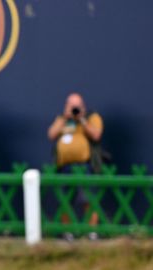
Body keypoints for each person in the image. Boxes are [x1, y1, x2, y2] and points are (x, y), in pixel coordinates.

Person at [47, 92, 104, 240]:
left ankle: (91, 231)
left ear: (83, 106)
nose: (74, 109)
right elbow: (51, 134)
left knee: (87, 198)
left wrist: (82, 119)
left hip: (84, 166)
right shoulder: (62, 119)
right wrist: (65, 118)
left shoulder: (91, 117)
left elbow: (96, 135)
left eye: (76, 106)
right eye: (71, 105)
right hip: (65, 167)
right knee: (65, 200)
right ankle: (68, 231)